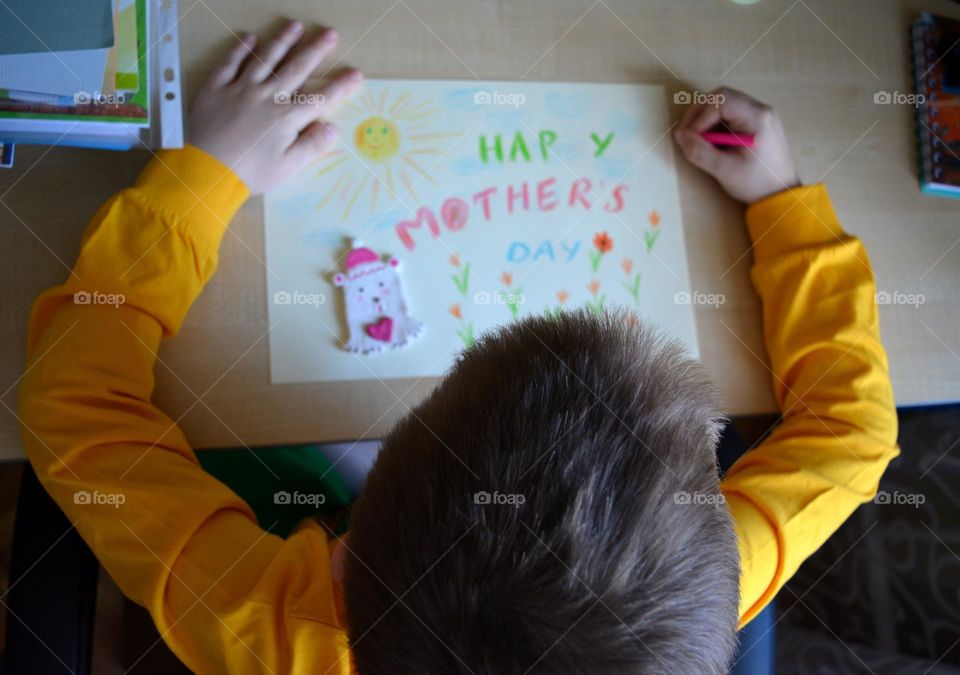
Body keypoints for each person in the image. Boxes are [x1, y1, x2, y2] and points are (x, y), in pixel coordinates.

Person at [18, 20, 900, 675]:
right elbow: (856, 433)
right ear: (717, 536)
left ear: (341, 556)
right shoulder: (688, 584)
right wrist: (782, 200)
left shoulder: (273, 628)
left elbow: (69, 409)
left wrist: (203, 176)